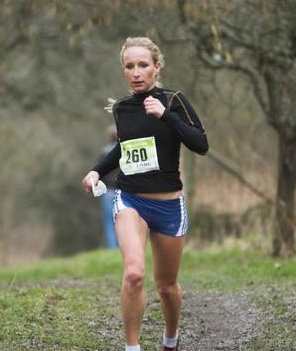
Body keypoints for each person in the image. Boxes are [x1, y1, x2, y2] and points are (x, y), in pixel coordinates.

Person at [81, 37, 208, 351]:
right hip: (131, 200)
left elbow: (200, 144)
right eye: (129, 66)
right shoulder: (122, 108)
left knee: (166, 287)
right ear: (123, 70)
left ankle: (170, 339)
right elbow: (123, 149)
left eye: (143, 65)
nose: (136, 72)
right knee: (134, 274)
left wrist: (166, 115)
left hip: (168, 205)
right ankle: (132, 347)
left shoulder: (174, 100)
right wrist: (97, 171)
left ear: (157, 67)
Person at [100, 125, 119, 249]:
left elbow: (99, 172)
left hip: (108, 191)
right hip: (123, 191)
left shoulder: (104, 153)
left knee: (109, 222)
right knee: (123, 220)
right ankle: (123, 245)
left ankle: (112, 248)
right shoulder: (125, 150)